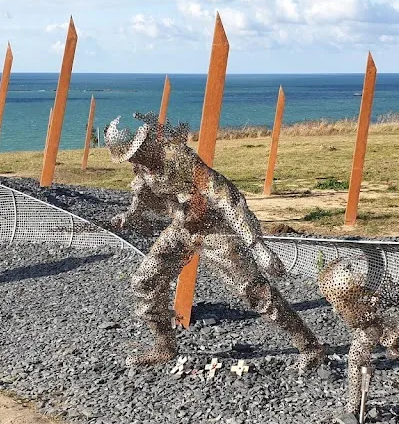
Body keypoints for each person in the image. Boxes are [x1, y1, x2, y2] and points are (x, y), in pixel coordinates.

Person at [104, 112, 328, 375]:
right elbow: (142, 195)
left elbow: (225, 197)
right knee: (145, 281)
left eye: (137, 152)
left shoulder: (179, 158)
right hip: (181, 229)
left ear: (146, 142)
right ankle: (165, 347)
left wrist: (257, 247)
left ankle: (310, 347)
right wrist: (128, 217)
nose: (136, 159)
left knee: (254, 290)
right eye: (130, 157)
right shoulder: (142, 167)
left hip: (214, 230)